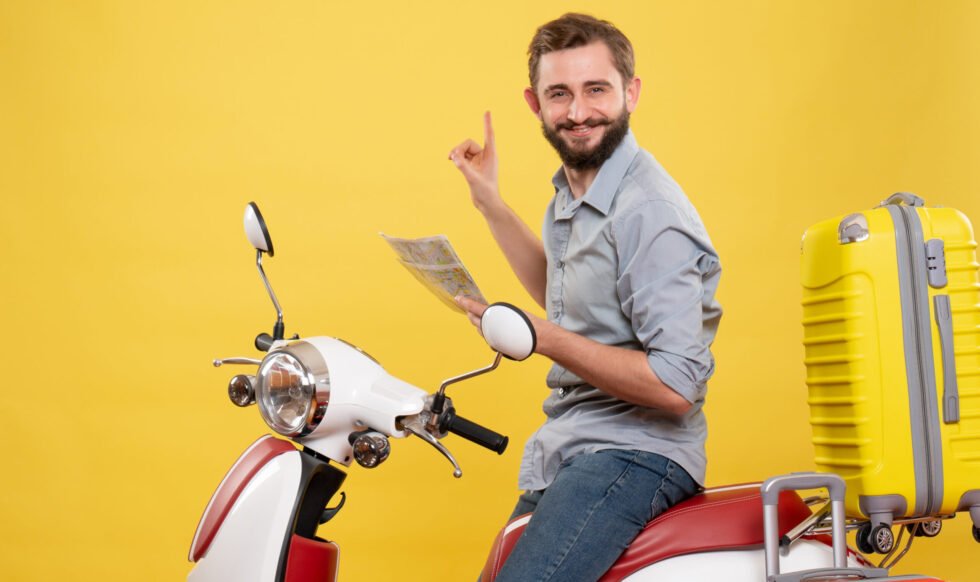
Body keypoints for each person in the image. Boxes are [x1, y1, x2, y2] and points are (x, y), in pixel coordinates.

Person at [448, 13, 722, 582]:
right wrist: (489, 203)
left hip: (635, 453)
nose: (578, 112)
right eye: (560, 94)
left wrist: (541, 337)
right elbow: (566, 292)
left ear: (631, 92)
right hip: (576, 447)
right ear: (535, 104)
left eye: (596, 89)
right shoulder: (577, 189)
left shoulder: (648, 211)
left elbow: (676, 385)